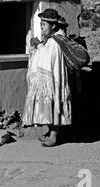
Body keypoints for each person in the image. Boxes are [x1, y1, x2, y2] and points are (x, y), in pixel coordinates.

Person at [22, 9, 72, 147]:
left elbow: (46, 59)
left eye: (44, 25)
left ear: (53, 26)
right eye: (41, 25)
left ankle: (54, 137)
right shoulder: (51, 40)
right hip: (51, 80)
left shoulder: (56, 42)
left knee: (55, 104)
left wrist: (38, 46)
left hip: (54, 80)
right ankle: (51, 133)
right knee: (51, 105)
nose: (42, 28)